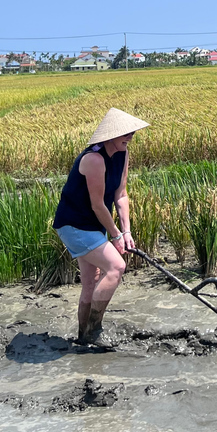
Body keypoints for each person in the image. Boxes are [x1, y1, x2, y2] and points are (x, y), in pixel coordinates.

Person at [53, 108, 149, 346]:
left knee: (91, 281)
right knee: (117, 267)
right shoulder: (93, 159)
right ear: (110, 135)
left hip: (94, 225)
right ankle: (95, 331)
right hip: (73, 224)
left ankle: (82, 336)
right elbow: (97, 205)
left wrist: (126, 232)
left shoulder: (122, 155)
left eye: (132, 134)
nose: (130, 137)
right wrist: (115, 236)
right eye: (125, 134)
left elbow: (121, 195)